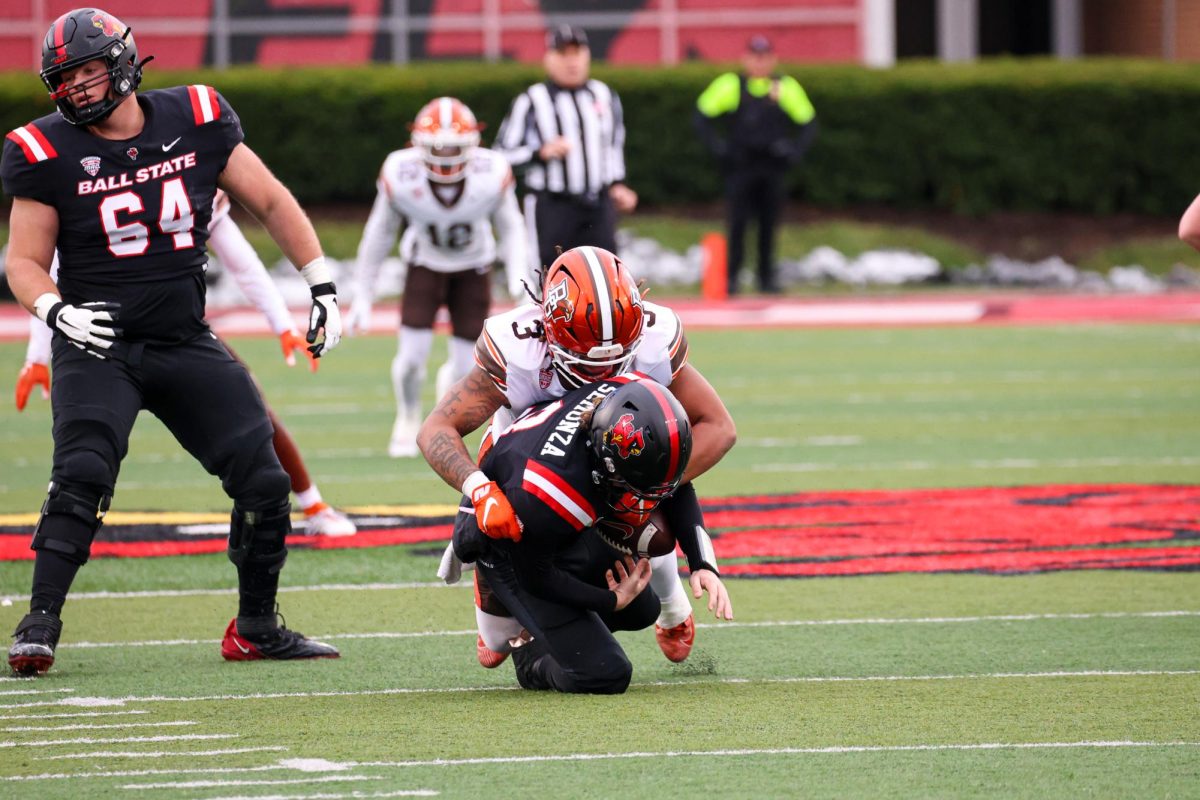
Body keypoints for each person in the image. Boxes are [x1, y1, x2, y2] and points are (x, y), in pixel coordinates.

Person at [3, 8, 343, 675]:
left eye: (87, 72)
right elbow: (22, 260)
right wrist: (54, 310)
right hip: (98, 342)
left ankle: (256, 626)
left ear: (126, 63)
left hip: (183, 338)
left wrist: (321, 285)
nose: (75, 89)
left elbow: (270, 201)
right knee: (82, 474)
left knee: (265, 480)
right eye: (64, 80)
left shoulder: (197, 115)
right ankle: (38, 620)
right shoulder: (41, 151)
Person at [419, 245, 735, 668]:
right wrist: (479, 491)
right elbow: (436, 429)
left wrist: (647, 489)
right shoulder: (518, 351)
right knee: (496, 646)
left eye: (618, 359)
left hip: (614, 453)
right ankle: (497, 592)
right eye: (586, 365)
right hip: (528, 461)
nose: (603, 376)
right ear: (548, 332)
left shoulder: (654, 338)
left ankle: (672, 604)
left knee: (647, 502)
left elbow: (718, 426)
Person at [15, 192, 357, 538]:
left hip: (173, 332)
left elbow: (243, 263)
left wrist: (282, 323)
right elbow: (47, 271)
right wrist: (37, 355)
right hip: (99, 332)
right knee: (87, 443)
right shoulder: (78, 173)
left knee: (251, 409)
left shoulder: (184, 168)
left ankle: (312, 504)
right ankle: (63, 535)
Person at [449, 376, 715, 694]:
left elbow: (674, 483)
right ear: (607, 465)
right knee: (606, 674)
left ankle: (554, 631)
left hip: (553, 518)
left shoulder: (627, 396)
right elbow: (536, 576)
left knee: (643, 608)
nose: (647, 501)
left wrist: (702, 562)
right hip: (512, 547)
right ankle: (530, 657)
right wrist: (609, 600)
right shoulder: (553, 492)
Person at [346, 97, 530, 458]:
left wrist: (519, 277)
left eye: (453, 147)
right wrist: (362, 295)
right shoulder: (400, 173)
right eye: (438, 147)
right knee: (412, 356)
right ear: (417, 145)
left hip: (474, 266)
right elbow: (379, 234)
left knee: (466, 365)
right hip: (425, 264)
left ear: (472, 145)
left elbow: (512, 229)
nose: (445, 155)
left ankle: (441, 417)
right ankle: (408, 414)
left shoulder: (492, 172)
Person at [493, 24, 637, 273]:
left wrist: (618, 184)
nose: (572, 62)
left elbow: (613, 146)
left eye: (577, 53)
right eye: (563, 54)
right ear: (548, 58)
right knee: (550, 276)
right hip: (552, 205)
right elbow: (500, 156)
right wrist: (539, 152)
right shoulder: (532, 100)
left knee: (608, 276)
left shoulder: (603, 95)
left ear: (587, 56)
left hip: (598, 204)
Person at [694, 34, 818, 295]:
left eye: (765, 57)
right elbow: (702, 115)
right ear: (746, 58)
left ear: (772, 59)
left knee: (768, 224)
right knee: (737, 223)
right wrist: (720, 149)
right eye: (755, 56)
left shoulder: (784, 86)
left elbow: (808, 121)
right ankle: (732, 279)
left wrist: (794, 152)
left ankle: (766, 278)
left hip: (772, 167)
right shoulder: (731, 85)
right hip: (742, 166)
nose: (760, 63)